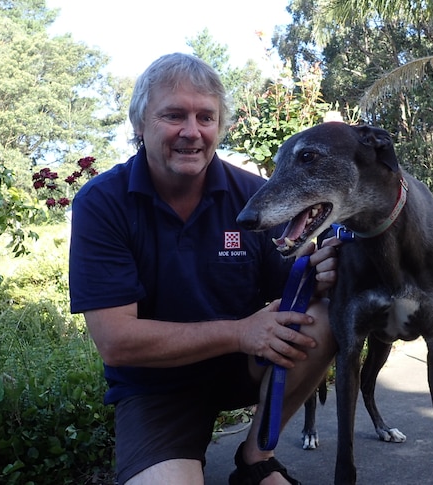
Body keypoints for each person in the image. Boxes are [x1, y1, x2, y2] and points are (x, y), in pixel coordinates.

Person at [69, 52, 339, 485]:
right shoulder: (102, 203)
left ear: (220, 126)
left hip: (241, 367)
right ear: (140, 123)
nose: (191, 132)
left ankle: (256, 461)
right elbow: (117, 343)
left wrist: (321, 275)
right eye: (174, 115)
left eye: (205, 117)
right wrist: (238, 332)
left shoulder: (255, 196)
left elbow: (294, 290)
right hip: (156, 386)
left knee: (321, 319)